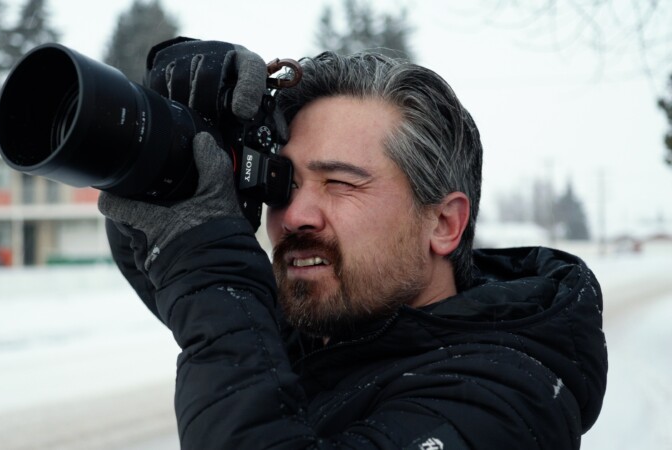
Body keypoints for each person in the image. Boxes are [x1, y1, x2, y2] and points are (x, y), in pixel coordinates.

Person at [98, 38, 607, 450]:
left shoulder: (503, 403)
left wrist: (204, 252)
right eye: (284, 184)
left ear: (444, 224)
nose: (294, 215)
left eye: (340, 184)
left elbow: (215, 298)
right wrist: (178, 149)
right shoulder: (327, 326)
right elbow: (167, 268)